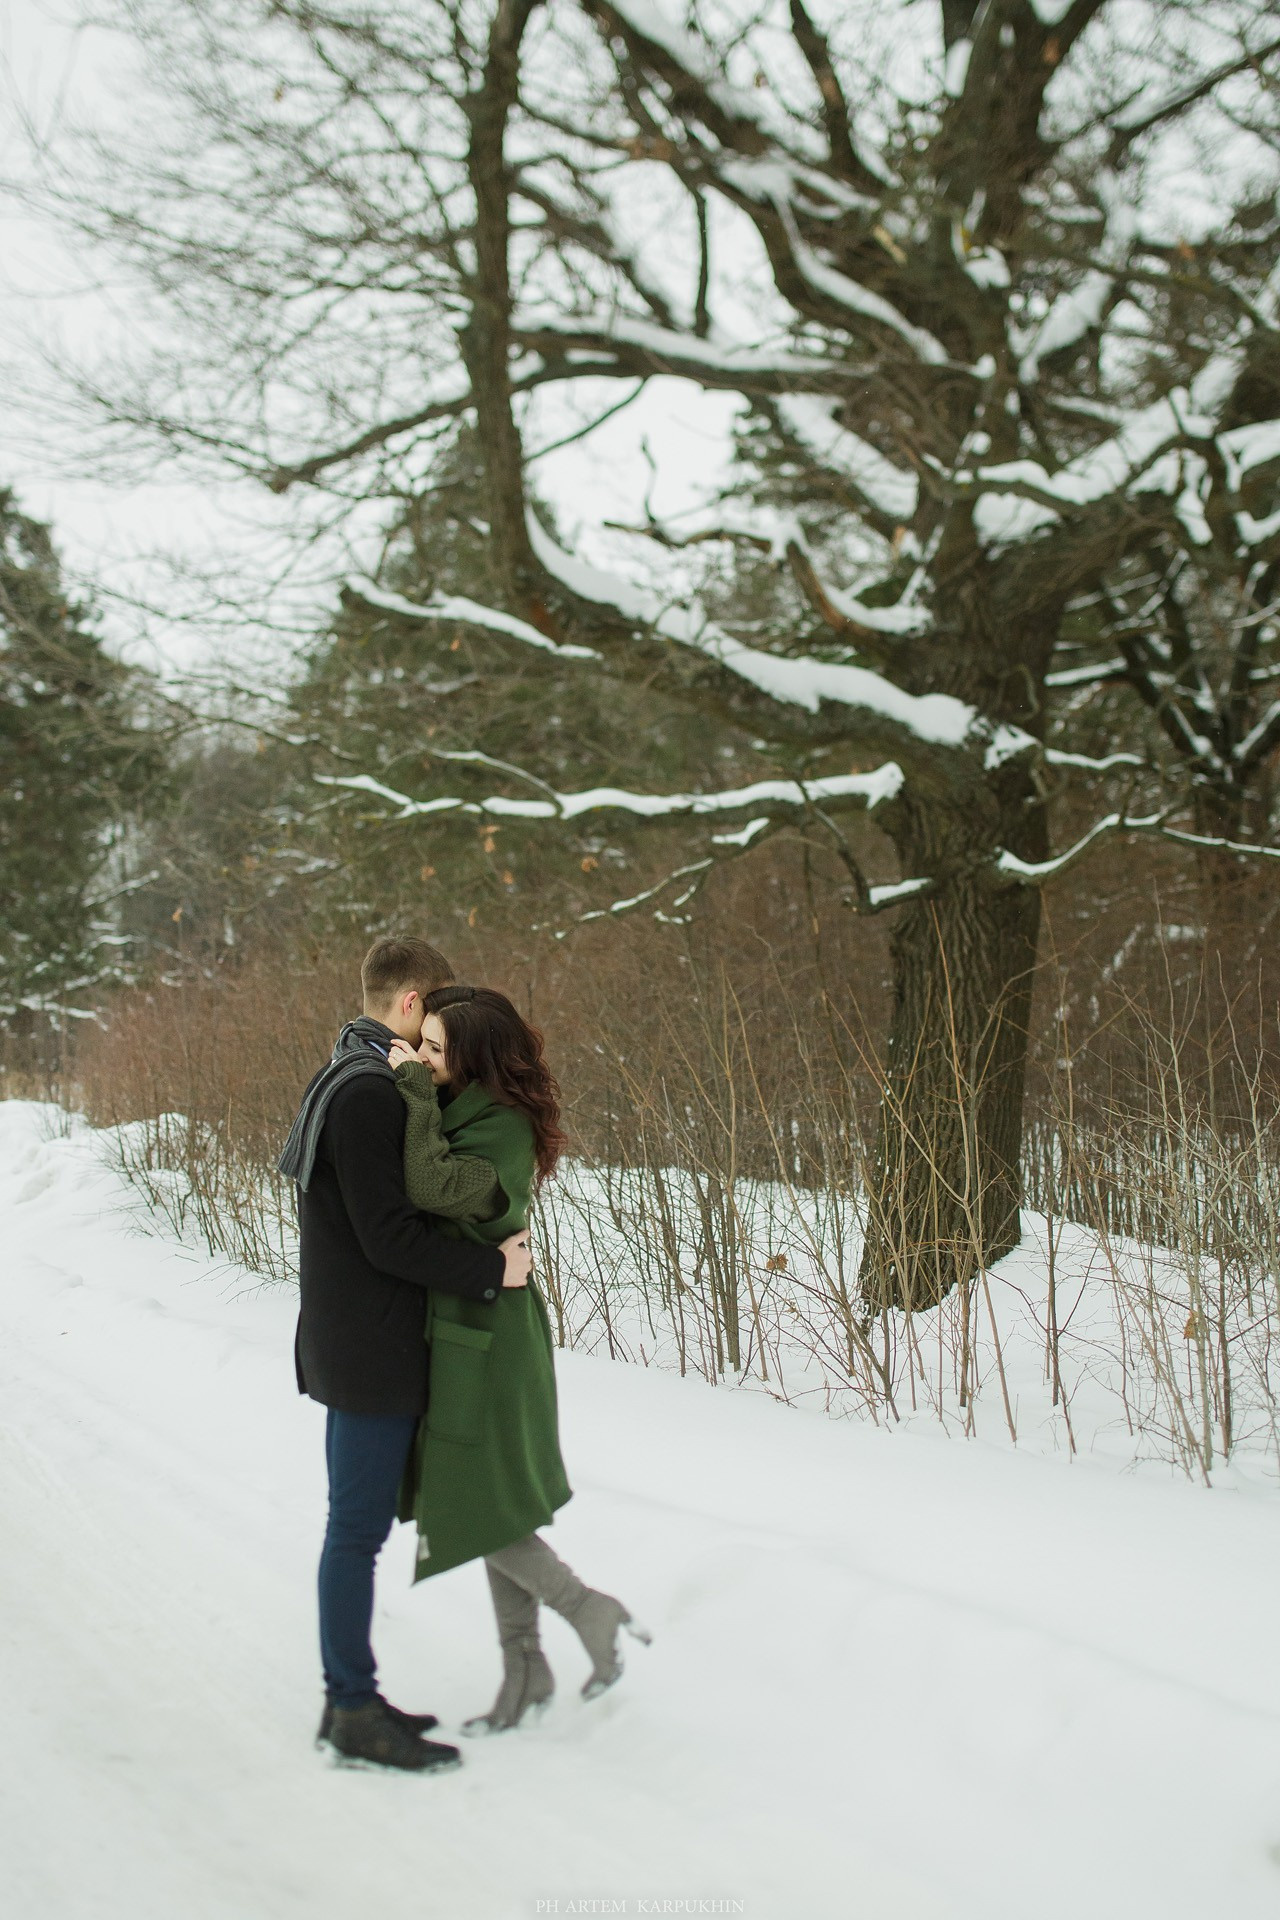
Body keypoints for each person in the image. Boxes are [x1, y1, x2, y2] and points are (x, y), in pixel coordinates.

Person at [278, 936, 533, 1773]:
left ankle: (352, 1697)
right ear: (414, 1003)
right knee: (353, 1532)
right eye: (439, 1008)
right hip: (370, 1347)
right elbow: (389, 1237)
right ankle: (351, 1707)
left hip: (359, 1338)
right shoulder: (368, 1094)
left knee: (355, 1529)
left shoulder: (350, 1071)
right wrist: (492, 1268)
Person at [387, 983, 650, 1734]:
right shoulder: (463, 1106)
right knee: (486, 1500)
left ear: (472, 1059)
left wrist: (407, 1086)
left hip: (491, 1340)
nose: (424, 1059)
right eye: (424, 1046)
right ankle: (526, 1672)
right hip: (472, 1325)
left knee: (474, 1500)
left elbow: (431, 1184)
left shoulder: (498, 1126)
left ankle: (589, 1611)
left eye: (436, 1050)